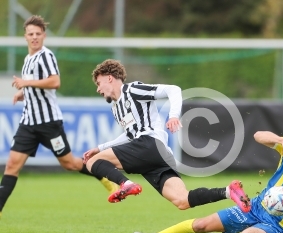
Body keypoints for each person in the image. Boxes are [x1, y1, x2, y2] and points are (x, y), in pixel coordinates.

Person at [133, 122, 283, 233]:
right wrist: (281, 140)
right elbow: (258, 135)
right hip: (254, 207)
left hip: (277, 225)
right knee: (200, 225)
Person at [82, 59, 251, 212]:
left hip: (149, 144)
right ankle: (229, 192)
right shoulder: (116, 107)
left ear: (109, 78)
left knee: (92, 162)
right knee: (182, 200)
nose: (98, 89)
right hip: (157, 154)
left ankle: (126, 184)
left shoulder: (132, 90)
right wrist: (101, 147)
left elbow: (173, 89)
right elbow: (130, 135)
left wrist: (173, 116)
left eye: (98, 83)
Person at [0, 15, 118, 218]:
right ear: (25, 37)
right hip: (28, 123)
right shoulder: (28, 59)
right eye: (31, 34)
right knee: (11, 165)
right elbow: (35, 83)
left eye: (38, 34)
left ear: (43, 36)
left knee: (70, 164)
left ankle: (106, 178)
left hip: (49, 124)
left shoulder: (46, 56)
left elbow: (54, 82)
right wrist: (23, 93)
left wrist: (26, 84)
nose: (34, 37)